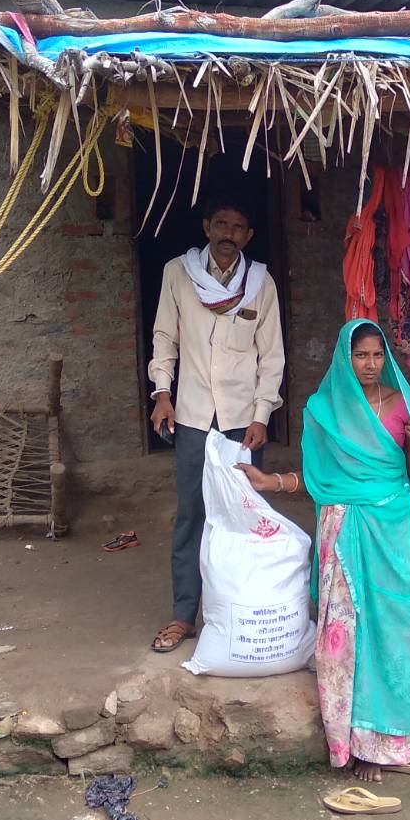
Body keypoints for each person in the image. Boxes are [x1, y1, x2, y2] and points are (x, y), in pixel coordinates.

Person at [237, 320, 410, 783]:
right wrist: (271, 483)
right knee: (348, 638)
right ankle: (360, 746)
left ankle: (404, 742)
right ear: (343, 359)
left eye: (376, 355)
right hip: (344, 531)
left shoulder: (403, 405)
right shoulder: (322, 411)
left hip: (394, 533)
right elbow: (317, 482)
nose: (369, 364)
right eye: (360, 356)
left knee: (402, 630)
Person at [147, 200, 285, 654]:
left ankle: (239, 611)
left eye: (238, 226)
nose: (228, 232)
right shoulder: (178, 273)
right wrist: (162, 393)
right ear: (207, 228)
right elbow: (164, 336)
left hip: (243, 421)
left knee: (244, 515)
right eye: (221, 224)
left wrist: (263, 415)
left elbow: (273, 357)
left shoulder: (260, 283)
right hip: (190, 414)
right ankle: (183, 614)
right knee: (192, 515)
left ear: (248, 235)